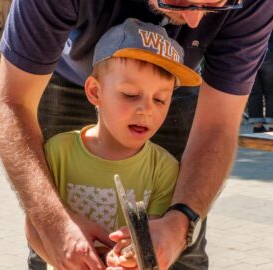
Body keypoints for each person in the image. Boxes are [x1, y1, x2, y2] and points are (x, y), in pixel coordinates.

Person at [0, 0, 273, 269]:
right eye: (178, 1)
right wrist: (52, 222)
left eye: (216, 3)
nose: (194, 20)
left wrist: (180, 226)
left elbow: (218, 124)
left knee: (183, 249)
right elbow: (13, 101)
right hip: (66, 75)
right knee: (53, 237)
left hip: (172, 78)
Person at [25, 18, 202, 269]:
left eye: (161, 99)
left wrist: (132, 257)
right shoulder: (57, 153)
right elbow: (35, 225)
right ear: (95, 92)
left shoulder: (165, 168)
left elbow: (151, 239)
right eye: (130, 95)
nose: (147, 110)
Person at [248, 10, 273, 133]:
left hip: (251, 56)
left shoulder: (249, 11)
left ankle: (257, 125)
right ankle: (272, 125)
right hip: (271, 55)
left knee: (255, 92)